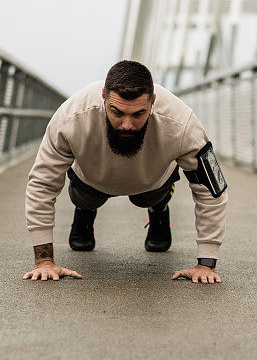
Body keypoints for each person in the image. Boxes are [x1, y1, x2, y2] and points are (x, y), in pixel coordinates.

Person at [22, 60, 228, 284]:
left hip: (153, 182)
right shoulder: (71, 117)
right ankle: (84, 211)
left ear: (153, 101)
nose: (127, 124)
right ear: (103, 96)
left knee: (150, 197)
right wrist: (44, 262)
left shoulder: (182, 122)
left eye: (139, 114)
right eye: (117, 112)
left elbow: (211, 188)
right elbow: (43, 183)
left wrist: (206, 263)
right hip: (91, 180)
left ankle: (158, 210)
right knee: (86, 198)